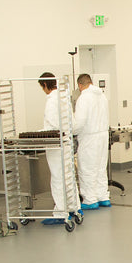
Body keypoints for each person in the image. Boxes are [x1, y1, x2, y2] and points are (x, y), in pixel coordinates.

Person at [38, 73, 72, 225]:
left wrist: (39, 134)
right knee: (68, 176)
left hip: (56, 144)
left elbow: (52, 126)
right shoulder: (64, 98)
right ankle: (74, 207)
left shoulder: (52, 101)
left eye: (42, 87)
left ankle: (60, 212)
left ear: (45, 85)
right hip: (66, 142)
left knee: (58, 178)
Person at [73, 73, 110, 209]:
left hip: (89, 137)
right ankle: (103, 197)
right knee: (100, 168)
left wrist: (71, 131)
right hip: (103, 136)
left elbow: (79, 122)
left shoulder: (84, 98)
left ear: (80, 85)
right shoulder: (102, 96)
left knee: (87, 168)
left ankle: (90, 200)